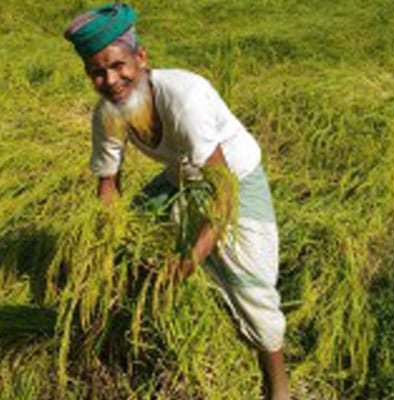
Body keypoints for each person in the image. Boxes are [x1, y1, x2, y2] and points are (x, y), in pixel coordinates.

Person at [64, 3, 290, 400]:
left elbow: (222, 192)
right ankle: (129, 324)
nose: (112, 80)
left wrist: (189, 259)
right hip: (180, 174)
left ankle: (278, 387)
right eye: (98, 72)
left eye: (119, 66)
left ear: (142, 58)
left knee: (253, 290)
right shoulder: (109, 113)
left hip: (233, 176)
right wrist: (108, 242)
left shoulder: (185, 98)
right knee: (133, 244)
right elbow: (107, 188)